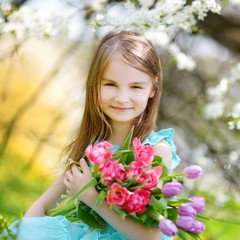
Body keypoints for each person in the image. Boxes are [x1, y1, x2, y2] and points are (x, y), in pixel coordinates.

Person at [2, 30, 180, 240]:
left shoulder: (155, 151)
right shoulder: (95, 148)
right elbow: (42, 204)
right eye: (111, 84)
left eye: (135, 87)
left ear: (153, 88)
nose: (122, 98)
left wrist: (91, 197)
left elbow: (152, 236)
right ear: (95, 84)